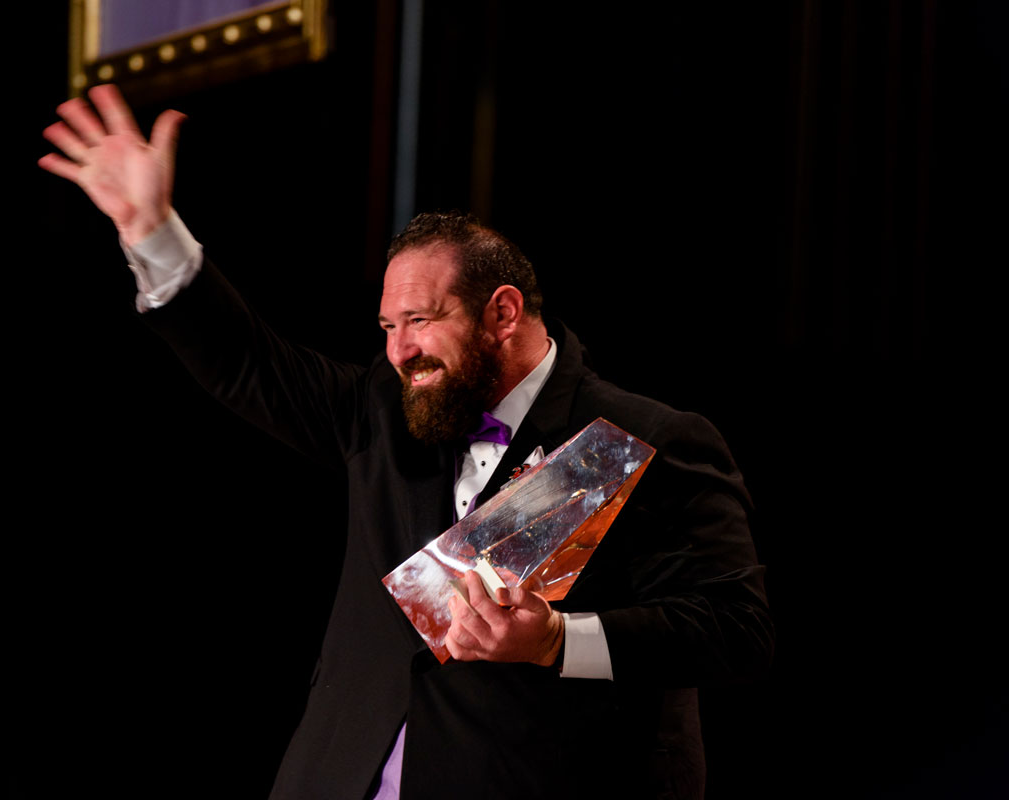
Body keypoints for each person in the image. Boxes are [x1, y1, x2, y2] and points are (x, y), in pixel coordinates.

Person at [41, 85, 773, 800]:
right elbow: (247, 362)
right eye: (388, 329)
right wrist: (149, 230)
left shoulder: (641, 438)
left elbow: (736, 631)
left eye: (420, 321)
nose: (399, 352)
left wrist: (556, 639)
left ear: (502, 313)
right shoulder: (380, 415)